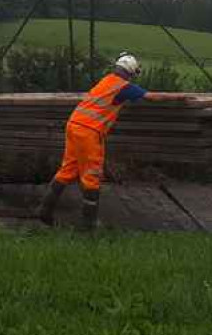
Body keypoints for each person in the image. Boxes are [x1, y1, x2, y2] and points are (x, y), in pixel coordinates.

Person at [37, 52, 148, 231]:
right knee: (92, 176)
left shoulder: (106, 81)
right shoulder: (124, 87)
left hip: (74, 125)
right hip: (89, 132)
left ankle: (44, 211)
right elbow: (151, 97)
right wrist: (182, 98)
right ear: (131, 72)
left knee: (68, 169)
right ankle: (89, 226)